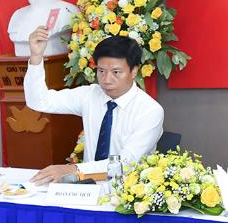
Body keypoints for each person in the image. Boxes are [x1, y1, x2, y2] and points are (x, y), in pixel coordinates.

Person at [25, 26, 164, 185]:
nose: (107, 79)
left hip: (128, 191)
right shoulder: (90, 95)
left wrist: (73, 169)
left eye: (116, 72)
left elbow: (125, 163)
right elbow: (39, 101)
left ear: (134, 71)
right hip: (86, 188)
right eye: (101, 71)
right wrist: (36, 57)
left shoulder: (150, 111)